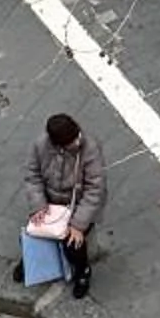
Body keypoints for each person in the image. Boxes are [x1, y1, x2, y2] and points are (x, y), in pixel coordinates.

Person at [21, 114, 106, 300]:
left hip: (76, 205)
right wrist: (39, 205)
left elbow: (94, 190)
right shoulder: (40, 146)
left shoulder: (90, 150)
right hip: (50, 202)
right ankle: (30, 261)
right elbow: (32, 176)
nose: (76, 143)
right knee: (34, 231)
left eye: (76, 138)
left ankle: (83, 272)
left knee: (73, 244)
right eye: (70, 142)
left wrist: (78, 224)